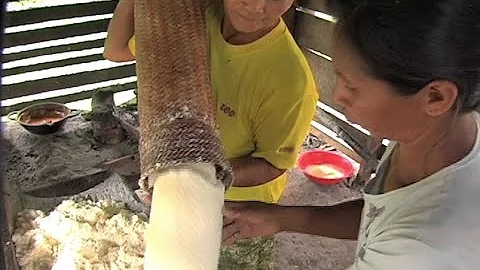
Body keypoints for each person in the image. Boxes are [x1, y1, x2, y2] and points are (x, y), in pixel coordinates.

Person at [222, 0, 480, 269]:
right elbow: (380, 215)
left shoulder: (421, 252)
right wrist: (284, 218)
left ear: (436, 97)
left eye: (353, 87)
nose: (338, 96)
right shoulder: (438, 134)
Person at [103, 0, 319, 269]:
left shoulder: (289, 81)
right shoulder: (195, 18)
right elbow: (117, 49)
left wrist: (197, 184)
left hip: (237, 213)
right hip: (181, 186)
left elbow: (273, 164)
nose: (256, 5)